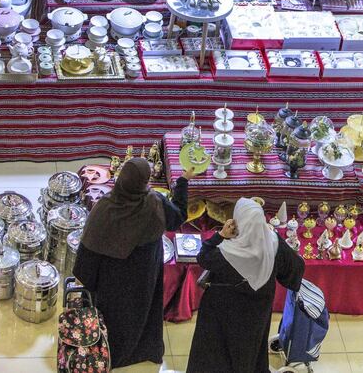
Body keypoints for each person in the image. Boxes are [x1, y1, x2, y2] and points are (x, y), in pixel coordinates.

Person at [73, 158, 194, 369]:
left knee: (112, 316)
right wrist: (183, 181)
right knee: (142, 312)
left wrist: (88, 281)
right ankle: (142, 350)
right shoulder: (155, 202)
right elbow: (178, 217)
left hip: (112, 279)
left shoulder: (104, 208)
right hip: (144, 274)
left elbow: (88, 252)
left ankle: (109, 352)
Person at [187, 198, 305, 373]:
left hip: (222, 311)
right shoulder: (272, 242)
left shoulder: (227, 251)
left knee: (215, 351)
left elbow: (203, 256)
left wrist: (219, 236)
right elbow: (296, 267)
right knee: (248, 350)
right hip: (256, 312)